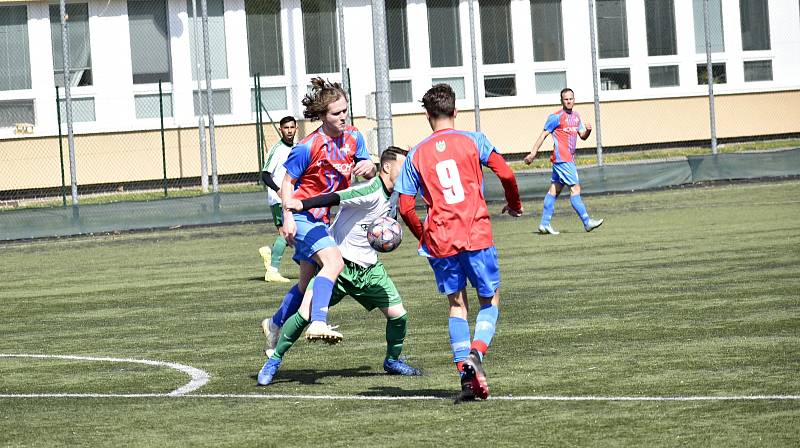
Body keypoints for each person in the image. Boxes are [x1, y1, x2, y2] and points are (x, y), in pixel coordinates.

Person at [394, 83, 523, 403]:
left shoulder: (416, 154)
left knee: (456, 306)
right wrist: (514, 204)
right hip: (475, 233)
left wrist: (424, 235)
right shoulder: (473, 140)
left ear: (427, 115)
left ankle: (466, 380)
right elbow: (506, 174)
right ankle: (476, 354)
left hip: (440, 239)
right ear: (456, 111)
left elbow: (405, 207)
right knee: (489, 301)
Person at [257, 147, 420, 386]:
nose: (407, 172)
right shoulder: (370, 190)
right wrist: (302, 205)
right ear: (386, 167)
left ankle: (392, 360)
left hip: (370, 270)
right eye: (403, 166)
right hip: (339, 266)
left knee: (399, 316)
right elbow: (336, 197)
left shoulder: (395, 193)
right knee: (304, 314)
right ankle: (274, 360)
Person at [260, 78, 376, 353]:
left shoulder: (354, 137)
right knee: (334, 262)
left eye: (345, 111)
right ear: (322, 116)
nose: (343, 117)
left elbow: (367, 169)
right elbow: (288, 184)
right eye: (336, 113)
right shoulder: (308, 146)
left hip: (322, 219)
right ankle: (319, 322)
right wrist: (288, 217)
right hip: (301, 216)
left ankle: (274, 324)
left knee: (303, 284)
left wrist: (370, 165)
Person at [523, 88, 603, 235]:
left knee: (555, 189)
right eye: (566, 99)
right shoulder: (555, 117)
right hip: (563, 159)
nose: (569, 101)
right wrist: (533, 153)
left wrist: (589, 131)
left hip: (565, 159)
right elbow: (543, 135)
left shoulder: (576, 116)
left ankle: (544, 224)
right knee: (575, 188)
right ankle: (587, 222)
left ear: (574, 99)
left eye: (571, 98)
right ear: (562, 101)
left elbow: (582, 136)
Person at [258, 116, 297, 283]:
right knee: (286, 234)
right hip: (278, 199)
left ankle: (270, 252)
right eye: (286, 127)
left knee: (291, 235)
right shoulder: (277, 149)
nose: (289, 130)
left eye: (292, 127)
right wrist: (279, 190)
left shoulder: (297, 148)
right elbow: (265, 175)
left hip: (293, 198)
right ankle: (272, 271)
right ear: (281, 129)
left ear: (296, 129)